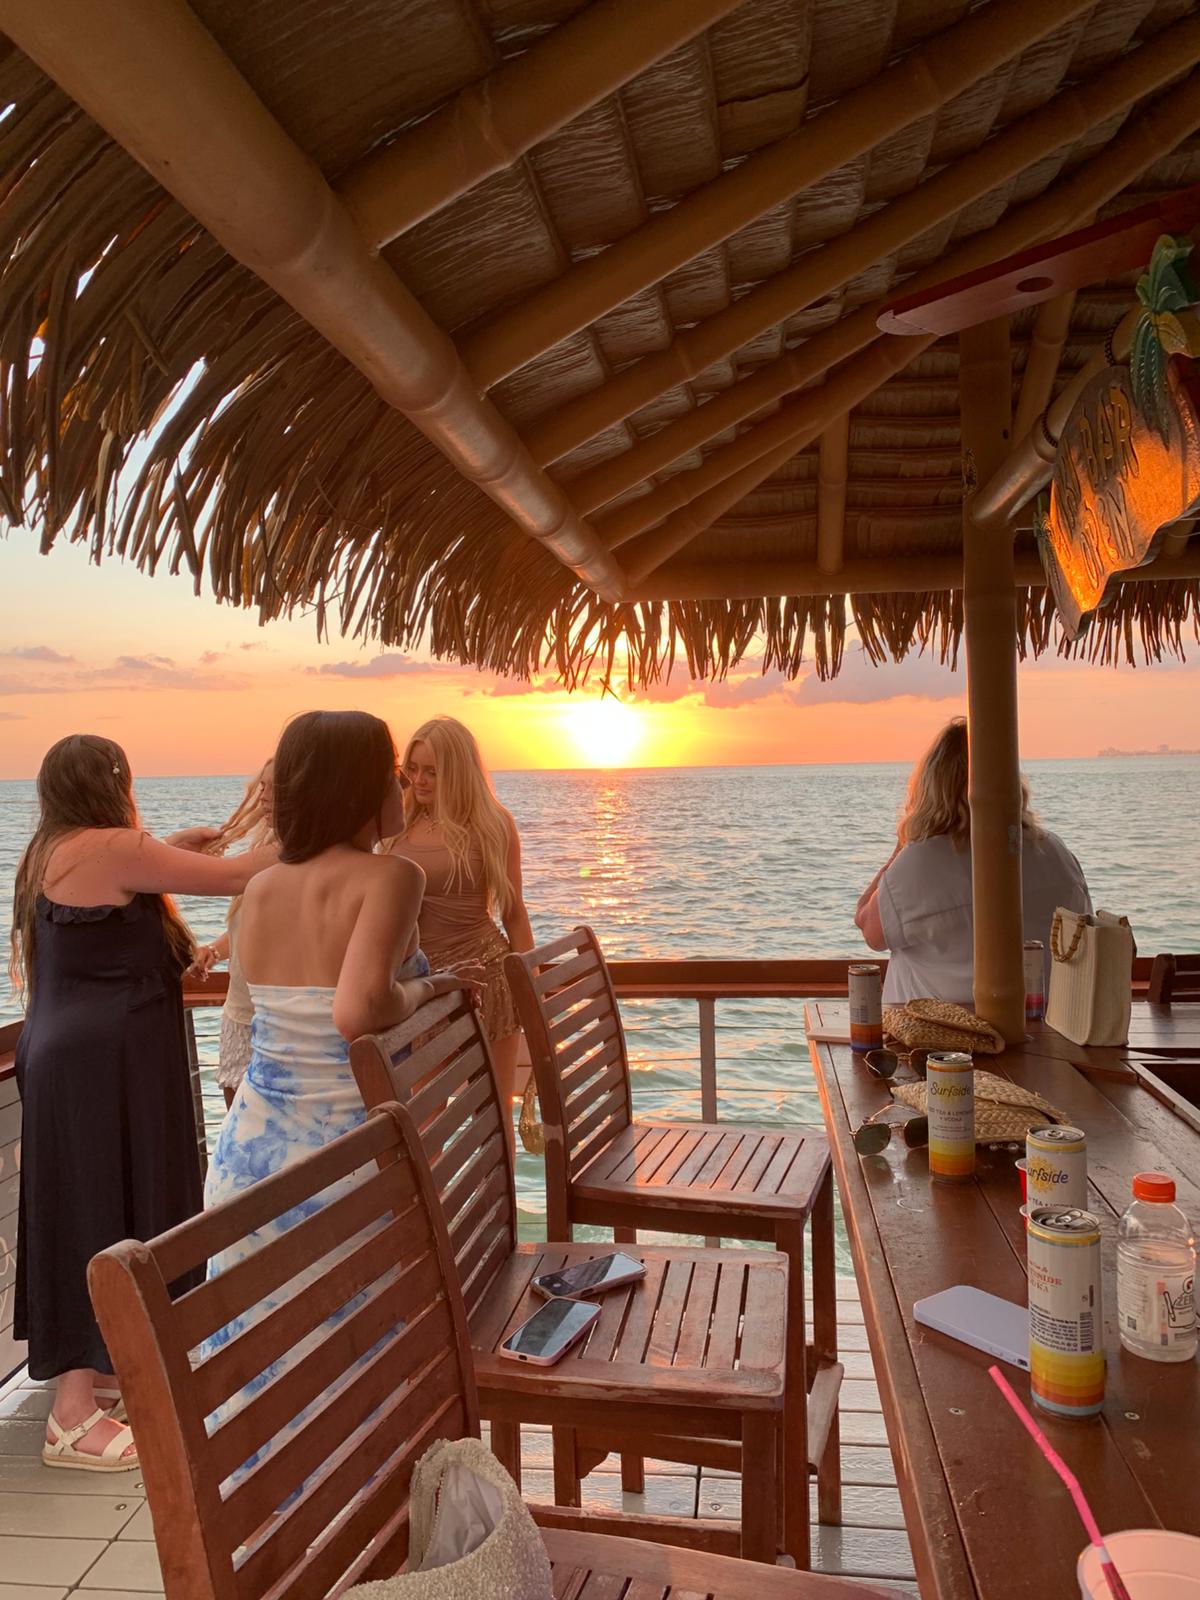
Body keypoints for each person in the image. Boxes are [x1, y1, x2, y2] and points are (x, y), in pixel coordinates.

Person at [202, 711, 481, 1483]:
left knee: (267, 1383)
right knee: (358, 1380)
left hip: (247, 1160)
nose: (402, 781)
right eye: (392, 766)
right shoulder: (393, 876)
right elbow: (357, 1010)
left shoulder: (259, 890)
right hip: (340, 1161)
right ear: (361, 784)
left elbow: (246, 1021)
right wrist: (428, 986)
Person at [10, 734, 273, 1473]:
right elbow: (245, 874)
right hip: (99, 1066)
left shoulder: (53, 849)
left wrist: (168, 847)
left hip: (74, 1059)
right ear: (109, 781)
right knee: (93, 1214)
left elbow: (131, 885)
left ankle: (99, 1372)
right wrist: (312, 824)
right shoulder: (116, 847)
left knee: (98, 1208)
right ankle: (70, 1416)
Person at [854, 717, 1092, 1005]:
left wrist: (903, 845)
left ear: (929, 788)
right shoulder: (1054, 852)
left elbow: (869, 929)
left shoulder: (919, 864)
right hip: (1048, 1034)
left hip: (936, 1042)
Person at [387, 716, 534, 1149]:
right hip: (419, 987)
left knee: (491, 1115)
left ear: (459, 770)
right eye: (412, 769)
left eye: (432, 771)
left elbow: (513, 911)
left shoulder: (492, 822)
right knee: (425, 1116)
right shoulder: (399, 820)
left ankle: (495, 1215)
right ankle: (434, 1216)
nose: (419, 780)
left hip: (487, 979)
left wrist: (531, 986)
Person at [188, 759, 277, 1107]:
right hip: (238, 1014)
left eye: (274, 788)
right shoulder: (264, 850)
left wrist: (172, 849)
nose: (264, 797)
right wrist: (216, 948)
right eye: (262, 786)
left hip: (271, 1020)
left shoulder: (286, 857)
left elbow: (217, 877)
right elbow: (246, 926)